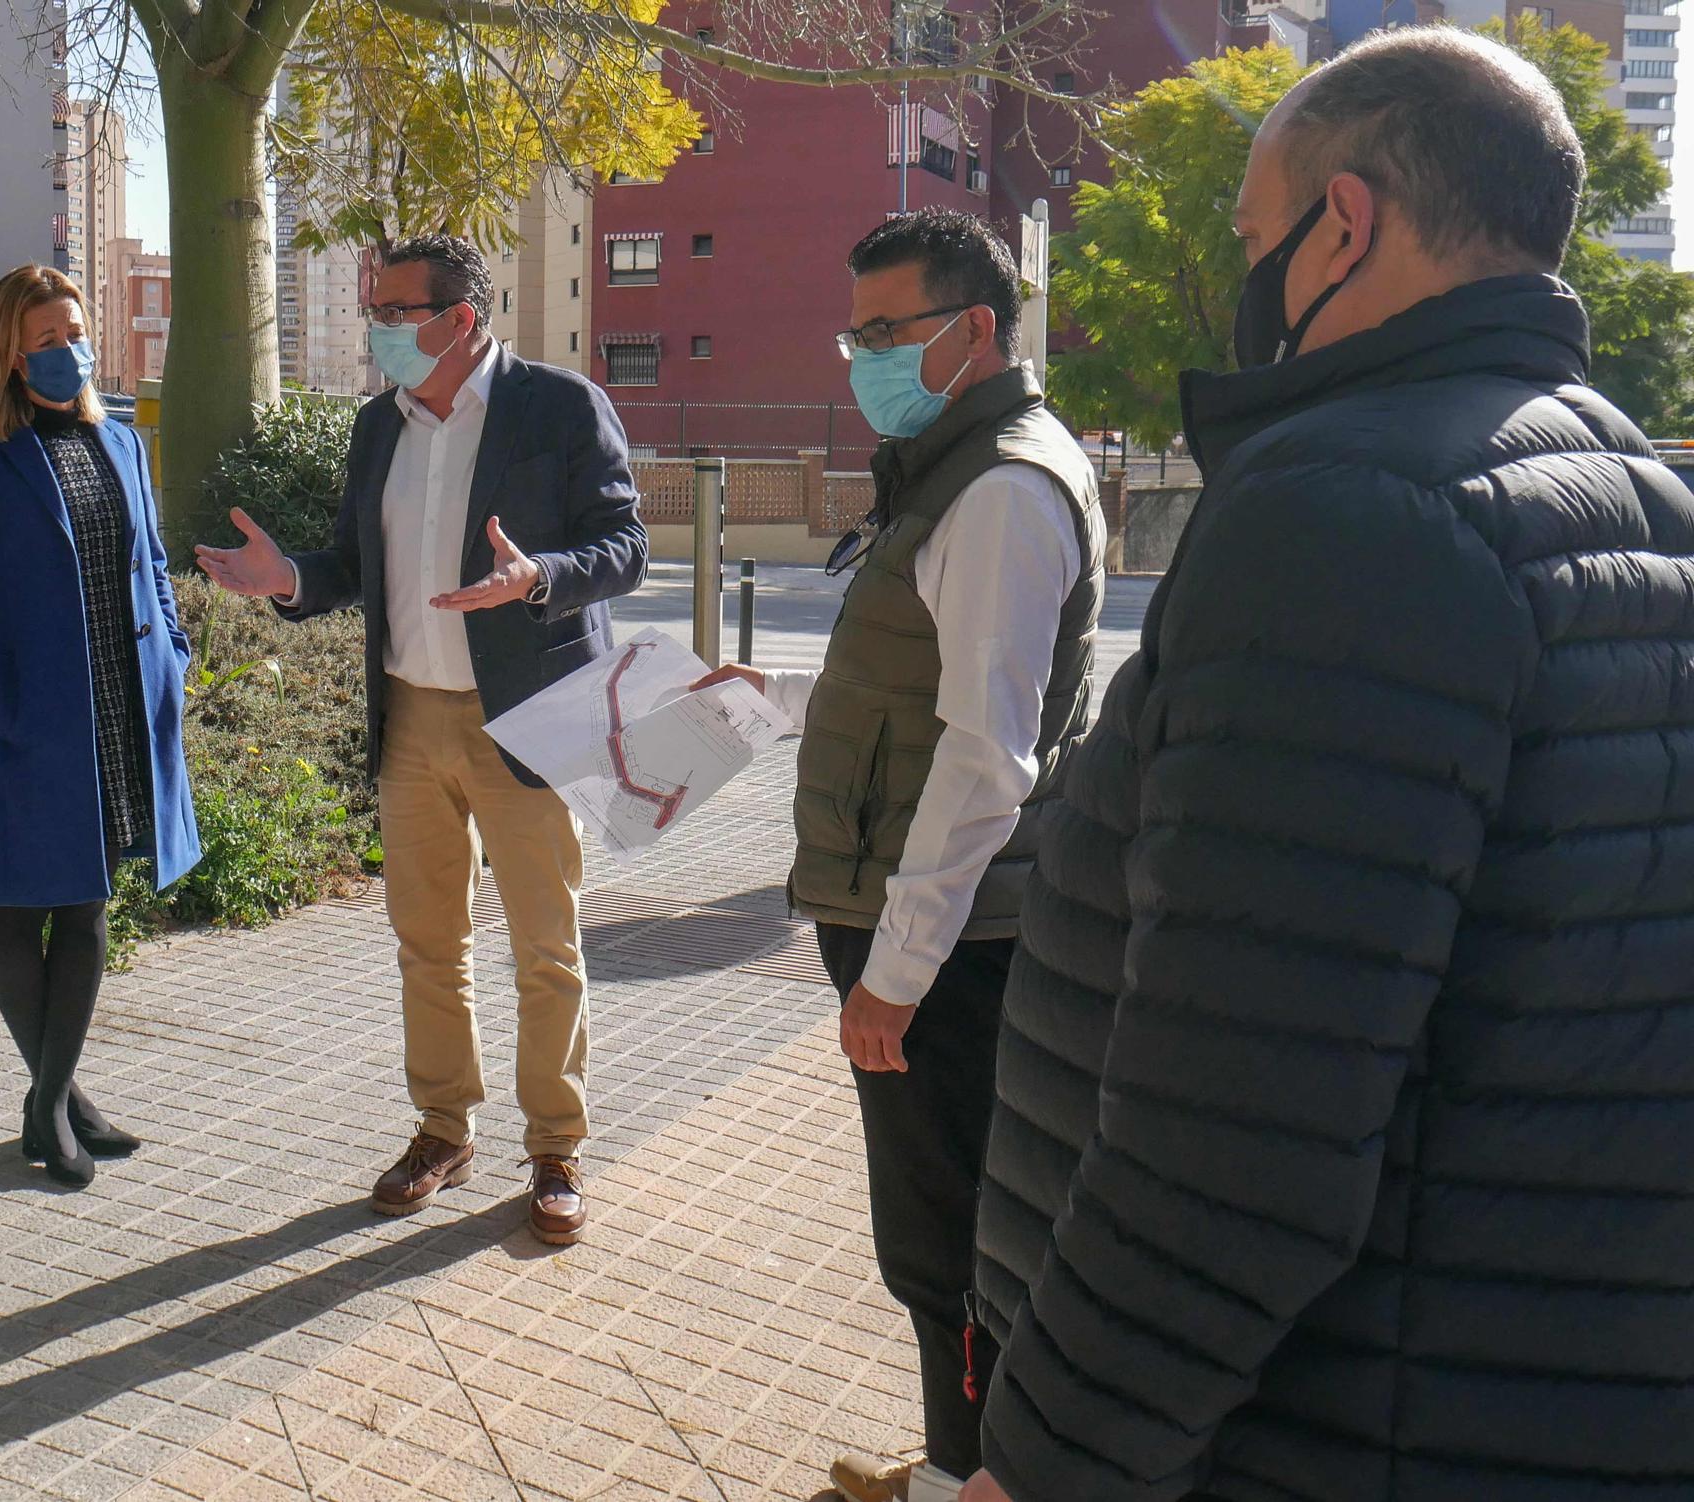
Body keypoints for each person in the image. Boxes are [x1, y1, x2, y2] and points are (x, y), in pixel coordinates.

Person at [967, 28, 1694, 1502]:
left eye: (1255, 236)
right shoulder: (1630, 485)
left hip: (1337, 1425)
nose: (1249, 282)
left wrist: (1044, 1465)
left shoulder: (1350, 512)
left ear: (1340, 224)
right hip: (1547, 1385)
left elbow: (1235, 1128)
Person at [698, 209, 1103, 1502]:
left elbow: (988, 757)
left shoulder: (1001, 489)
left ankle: (968, 1477)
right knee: (949, 1240)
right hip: (937, 930)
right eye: (853, 330)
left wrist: (897, 971)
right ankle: (952, 1466)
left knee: (954, 1250)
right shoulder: (953, 464)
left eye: (888, 331)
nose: (860, 356)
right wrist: (775, 695)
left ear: (975, 329)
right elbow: (927, 684)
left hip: (956, 946)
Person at [196, 233, 645, 1245]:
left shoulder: (557, 406)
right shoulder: (376, 428)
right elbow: (354, 563)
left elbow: (625, 546)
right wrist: (291, 580)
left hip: (526, 714)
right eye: (374, 309)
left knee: (545, 945)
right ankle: (443, 1129)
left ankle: (555, 1148)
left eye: (397, 311)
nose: (379, 329)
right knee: (426, 944)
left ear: (460, 319)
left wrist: (538, 577)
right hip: (411, 716)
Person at [0, 264, 199, 1189]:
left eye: (75, 331)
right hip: (31, 713)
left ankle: (54, 1096)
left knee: (87, 902)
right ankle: (53, 1103)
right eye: (46, 339)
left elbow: (151, 562)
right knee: (19, 905)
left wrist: (176, 654)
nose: (69, 351)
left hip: (119, 706)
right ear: (8, 351)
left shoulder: (118, 443)